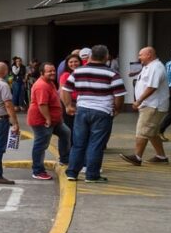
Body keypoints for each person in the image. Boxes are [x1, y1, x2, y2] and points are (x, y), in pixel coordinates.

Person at [63, 44, 126, 183]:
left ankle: (72, 173)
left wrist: (68, 106)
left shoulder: (78, 72)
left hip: (82, 110)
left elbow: (65, 89)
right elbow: (119, 95)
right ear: (106, 57)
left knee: (78, 143)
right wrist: (117, 109)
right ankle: (92, 175)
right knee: (95, 144)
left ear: (90, 56)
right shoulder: (112, 74)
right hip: (102, 112)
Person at [121, 47, 171, 166]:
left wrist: (139, 100)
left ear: (149, 54)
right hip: (149, 104)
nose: (139, 58)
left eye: (141, 55)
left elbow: (152, 87)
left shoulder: (156, 67)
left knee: (143, 130)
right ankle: (161, 156)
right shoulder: (149, 67)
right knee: (151, 132)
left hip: (153, 105)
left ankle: (137, 157)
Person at [27, 63, 70, 180]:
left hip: (54, 120)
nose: (52, 73)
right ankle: (38, 171)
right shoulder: (41, 86)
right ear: (42, 73)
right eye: (49, 71)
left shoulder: (49, 83)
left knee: (65, 133)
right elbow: (42, 104)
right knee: (41, 145)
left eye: (53, 70)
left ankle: (65, 160)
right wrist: (48, 118)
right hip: (42, 120)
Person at [59, 54, 81, 132]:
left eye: (76, 61)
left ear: (80, 62)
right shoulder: (65, 75)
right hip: (70, 104)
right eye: (70, 62)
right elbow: (62, 92)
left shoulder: (82, 74)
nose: (73, 64)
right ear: (67, 64)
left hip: (81, 105)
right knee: (70, 129)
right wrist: (67, 106)